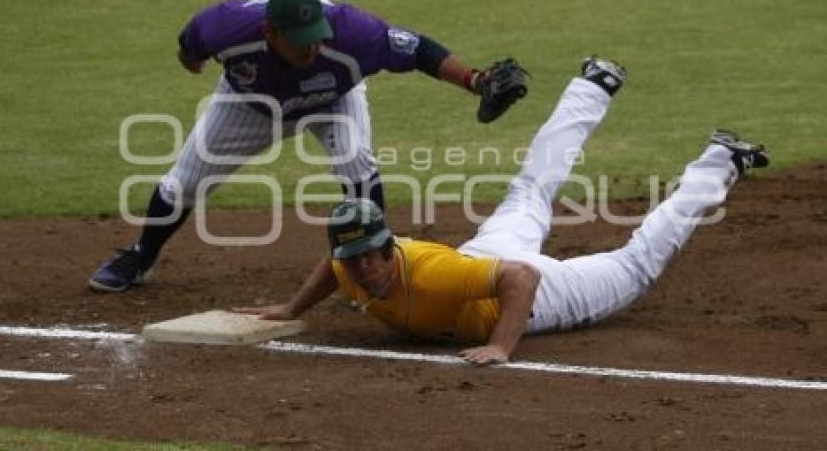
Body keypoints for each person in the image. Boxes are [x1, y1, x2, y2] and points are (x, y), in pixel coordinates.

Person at [233, 56, 770, 365]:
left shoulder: (432, 274)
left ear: (388, 247)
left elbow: (520, 279)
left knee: (636, 264)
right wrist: (290, 308)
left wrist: (500, 346)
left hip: (536, 292)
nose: (363, 267)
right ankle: (593, 84)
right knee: (529, 191)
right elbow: (331, 267)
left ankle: (720, 160)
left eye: (371, 255)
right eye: (355, 259)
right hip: (483, 258)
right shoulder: (349, 266)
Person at [89, 0, 529, 292]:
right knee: (183, 183)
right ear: (270, 33)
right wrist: (195, 62)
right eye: (300, 43)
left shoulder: (353, 32)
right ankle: (141, 255)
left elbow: (418, 50)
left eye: (316, 38)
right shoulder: (226, 25)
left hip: (333, 99)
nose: (312, 48)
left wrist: (473, 80)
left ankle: (379, 271)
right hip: (251, 105)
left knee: (358, 164)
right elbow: (190, 47)